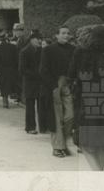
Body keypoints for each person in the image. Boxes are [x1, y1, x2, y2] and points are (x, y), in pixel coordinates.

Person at [68, 25, 104, 170]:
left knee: (85, 144)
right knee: (101, 145)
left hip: (88, 102)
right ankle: (100, 175)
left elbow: (71, 75)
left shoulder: (81, 54)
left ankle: (98, 175)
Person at [40, 26, 76, 158]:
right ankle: (57, 147)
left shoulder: (73, 49)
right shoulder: (48, 50)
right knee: (56, 117)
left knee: (70, 115)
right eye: (63, 33)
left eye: (68, 33)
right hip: (54, 84)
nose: (66, 35)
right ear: (57, 35)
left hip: (68, 84)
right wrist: (53, 86)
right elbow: (43, 69)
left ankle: (63, 144)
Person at [19, 32, 46, 134]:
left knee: (42, 105)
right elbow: (22, 69)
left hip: (40, 82)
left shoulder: (41, 51)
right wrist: (36, 74)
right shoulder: (24, 52)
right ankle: (30, 127)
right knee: (30, 106)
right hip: (30, 82)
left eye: (41, 39)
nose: (40, 41)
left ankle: (43, 127)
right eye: (37, 39)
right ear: (31, 39)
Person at [0, 34, 19, 108]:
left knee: (3, 85)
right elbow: (17, 59)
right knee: (12, 84)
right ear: (7, 39)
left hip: (2, 70)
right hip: (12, 69)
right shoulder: (13, 47)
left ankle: (5, 102)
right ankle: (14, 96)